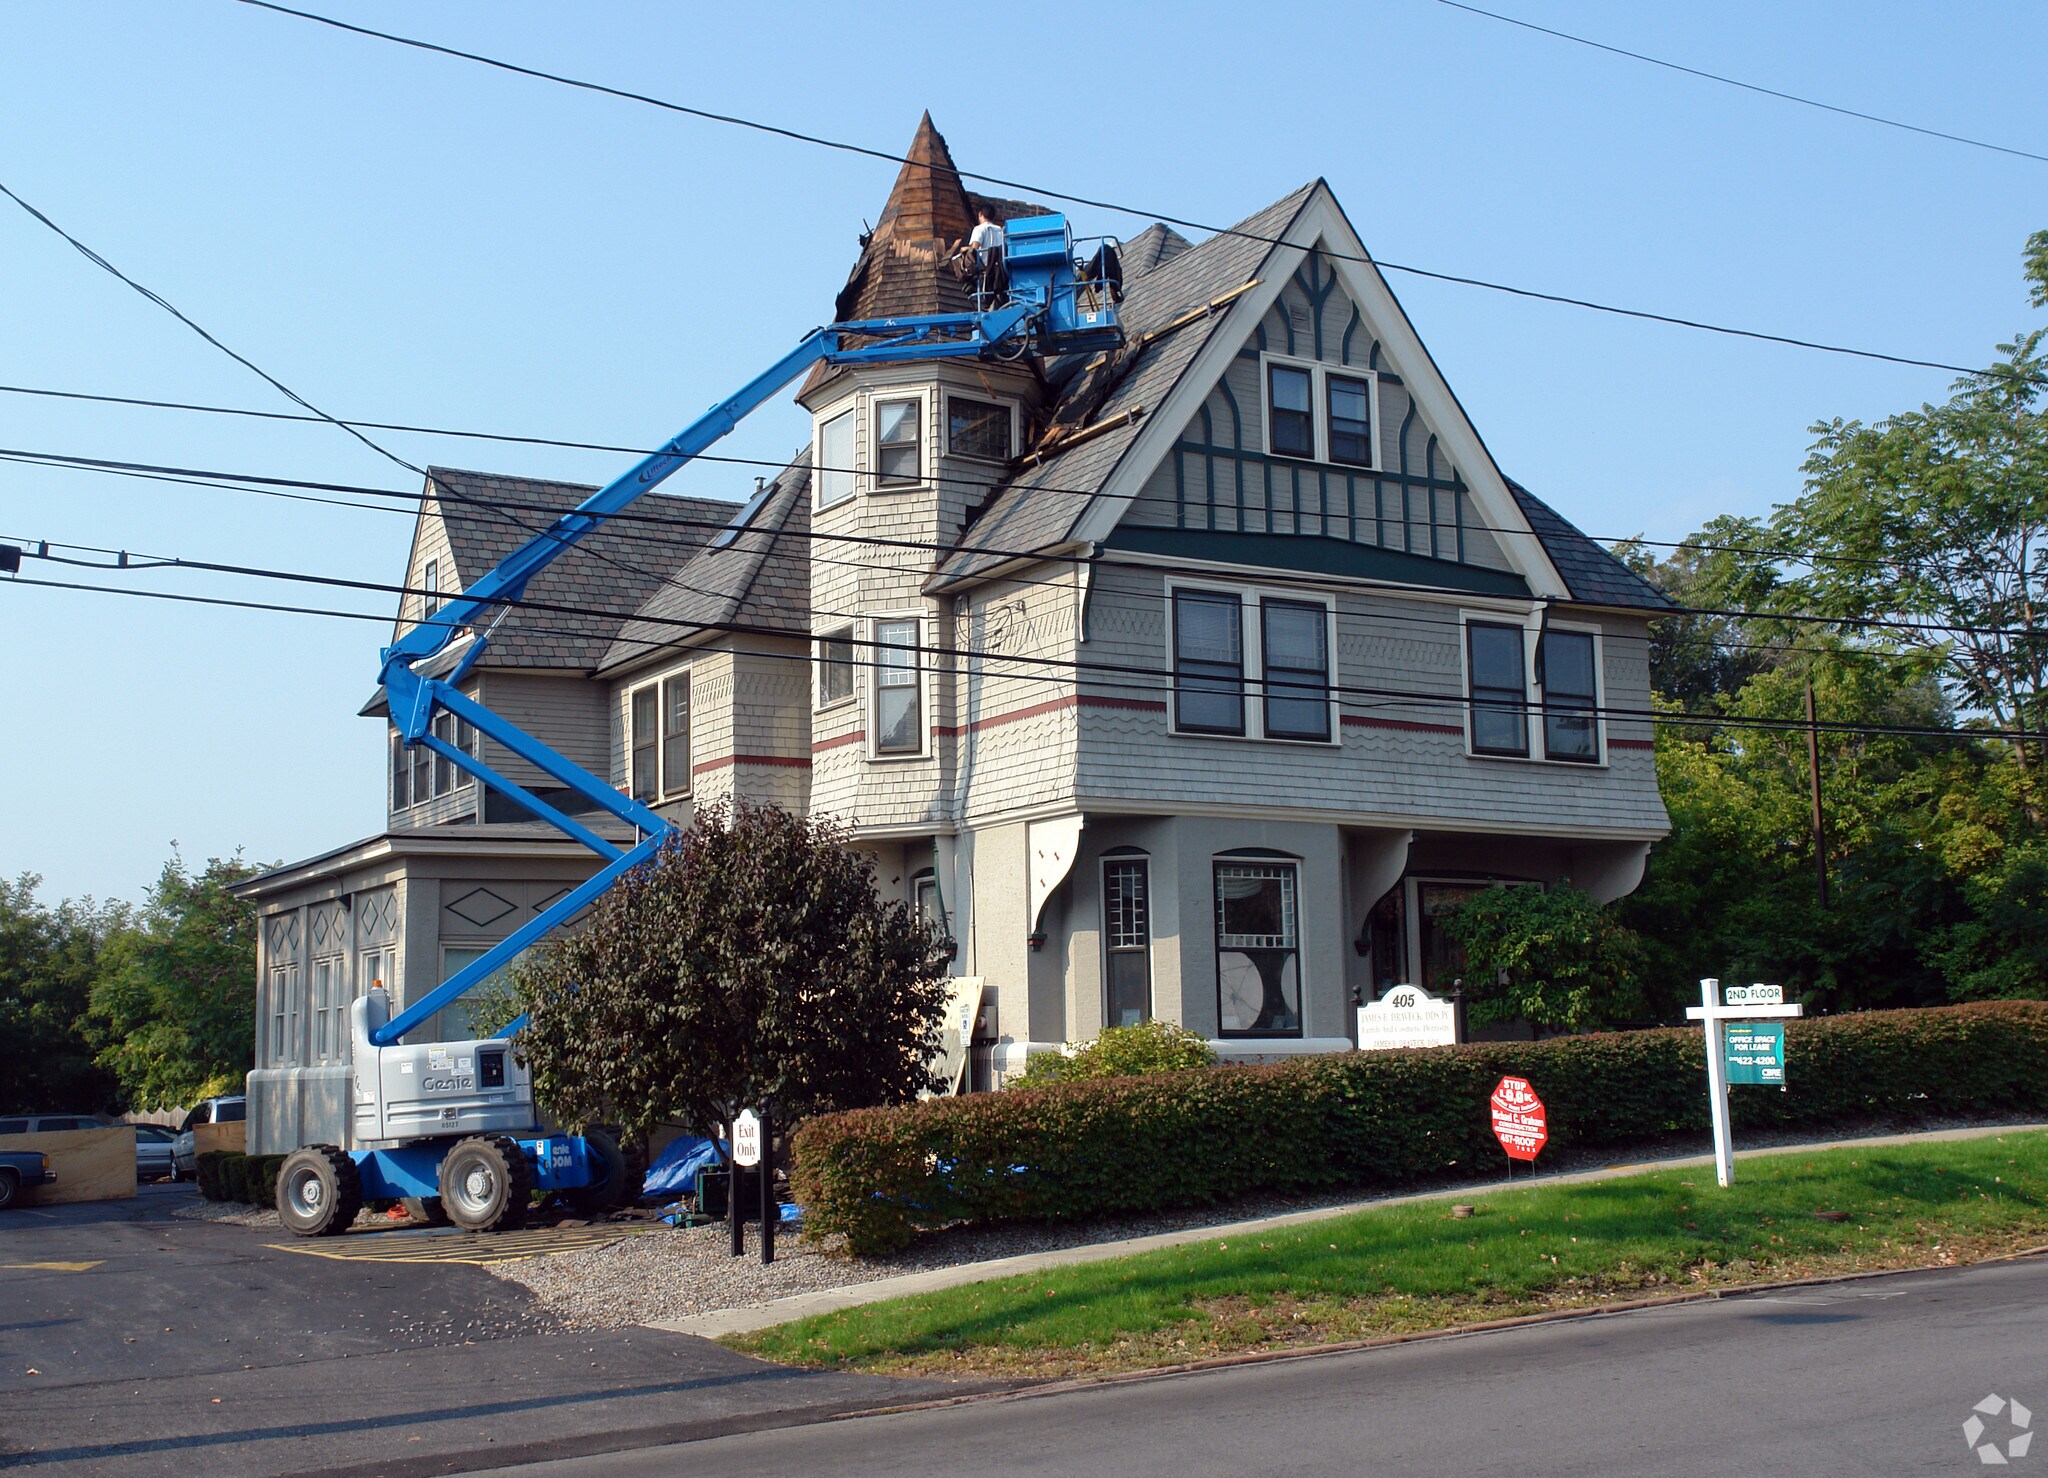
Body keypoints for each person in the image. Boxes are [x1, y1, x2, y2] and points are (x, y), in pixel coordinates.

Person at [951, 207, 1006, 304]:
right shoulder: (1000, 230)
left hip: (985, 267)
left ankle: (969, 283)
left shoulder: (979, 229)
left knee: (962, 260)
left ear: (980, 214)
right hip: (999, 268)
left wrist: (963, 249)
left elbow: (974, 248)